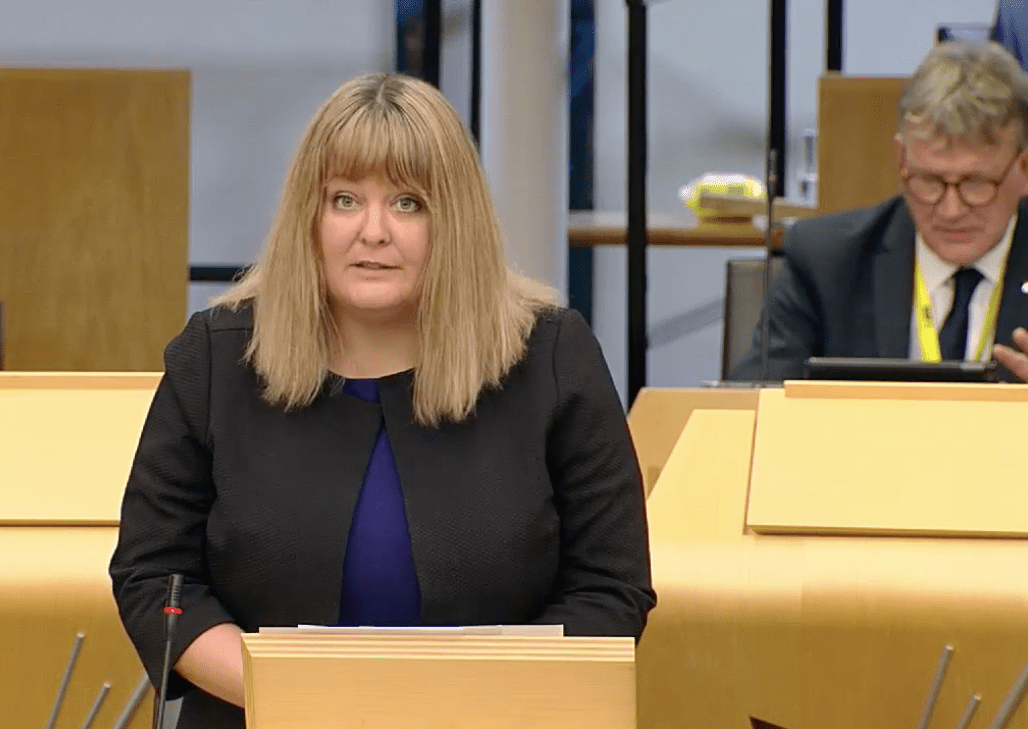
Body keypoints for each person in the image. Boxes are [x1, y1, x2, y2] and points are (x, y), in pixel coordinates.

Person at [108, 73, 656, 729]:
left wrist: (452, 706)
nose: (372, 231)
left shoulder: (552, 355)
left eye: (407, 203)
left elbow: (608, 590)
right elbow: (157, 579)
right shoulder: (215, 358)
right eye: (343, 199)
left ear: (453, 219)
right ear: (307, 216)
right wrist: (299, 697)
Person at [730, 40, 1028, 382]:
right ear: (902, 160)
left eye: (976, 184)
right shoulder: (827, 263)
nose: (950, 210)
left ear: (1024, 167)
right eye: (929, 181)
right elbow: (752, 404)